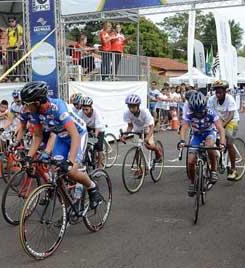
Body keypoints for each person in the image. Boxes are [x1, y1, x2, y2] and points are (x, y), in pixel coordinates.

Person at [18, 81, 104, 209]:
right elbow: (38, 136)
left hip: (78, 135)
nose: (25, 107)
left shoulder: (58, 107)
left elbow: (75, 135)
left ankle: (92, 188)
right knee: (55, 170)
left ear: (37, 102)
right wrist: (29, 157)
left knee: (71, 170)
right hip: (62, 138)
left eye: (27, 104)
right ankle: (69, 208)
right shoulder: (35, 112)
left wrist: (70, 161)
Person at [178, 92, 226, 196]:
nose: (199, 114)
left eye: (201, 111)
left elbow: (221, 129)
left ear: (205, 106)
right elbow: (184, 128)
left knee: (209, 147)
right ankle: (192, 182)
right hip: (197, 135)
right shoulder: (189, 113)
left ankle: (213, 171)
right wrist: (182, 140)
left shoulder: (211, 112)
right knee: (190, 162)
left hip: (209, 133)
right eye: (196, 112)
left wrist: (222, 142)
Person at [120, 94, 163, 172]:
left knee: (148, 145)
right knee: (137, 148)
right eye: (129, 106)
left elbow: (151, 127)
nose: (131, 108)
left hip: (147, 128)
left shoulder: (144, 111)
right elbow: (130, 126)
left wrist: (147, 137)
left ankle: (157, 151)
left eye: (133, 106)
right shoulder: (127, 113)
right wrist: (124, 135)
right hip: (137, 130)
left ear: (138, 105)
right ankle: (140, 169)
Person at [208, 80, 240, 181]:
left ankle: (233, 169)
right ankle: (220, 157)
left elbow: (231, 115)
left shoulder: (229, 99)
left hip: (232, 120)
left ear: (225, 91)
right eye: (216, 92)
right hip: (220, 119)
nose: (218, 94)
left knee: (229, 141)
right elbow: (209, 114)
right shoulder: (211, 99)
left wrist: (222, 126)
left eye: (220, 92)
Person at [79, 96, 105, 168]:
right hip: (88, 127)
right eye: (83, 109)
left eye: (86, 109)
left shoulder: (96, 113)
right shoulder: (80, 113)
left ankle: (99, 165)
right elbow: (77, 124)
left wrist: (95, 137)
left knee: (98, 146)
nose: (85, 111)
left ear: (91, 107)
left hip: (99, 128)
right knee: (85, 143)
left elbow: (97, 128)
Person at [5, 16, 24, 81]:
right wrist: (5, 47)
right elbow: (7, 38)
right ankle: (11, 76)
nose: (11, 22)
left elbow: (20, 37)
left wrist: (18, 47)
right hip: (10, 47)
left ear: (15, 21)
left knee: (18, 62)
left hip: (17, 47)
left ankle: (19, 76)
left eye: (12, 21)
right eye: (9, 21)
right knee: (9, 62)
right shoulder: (8, 29)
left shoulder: (19, 27)